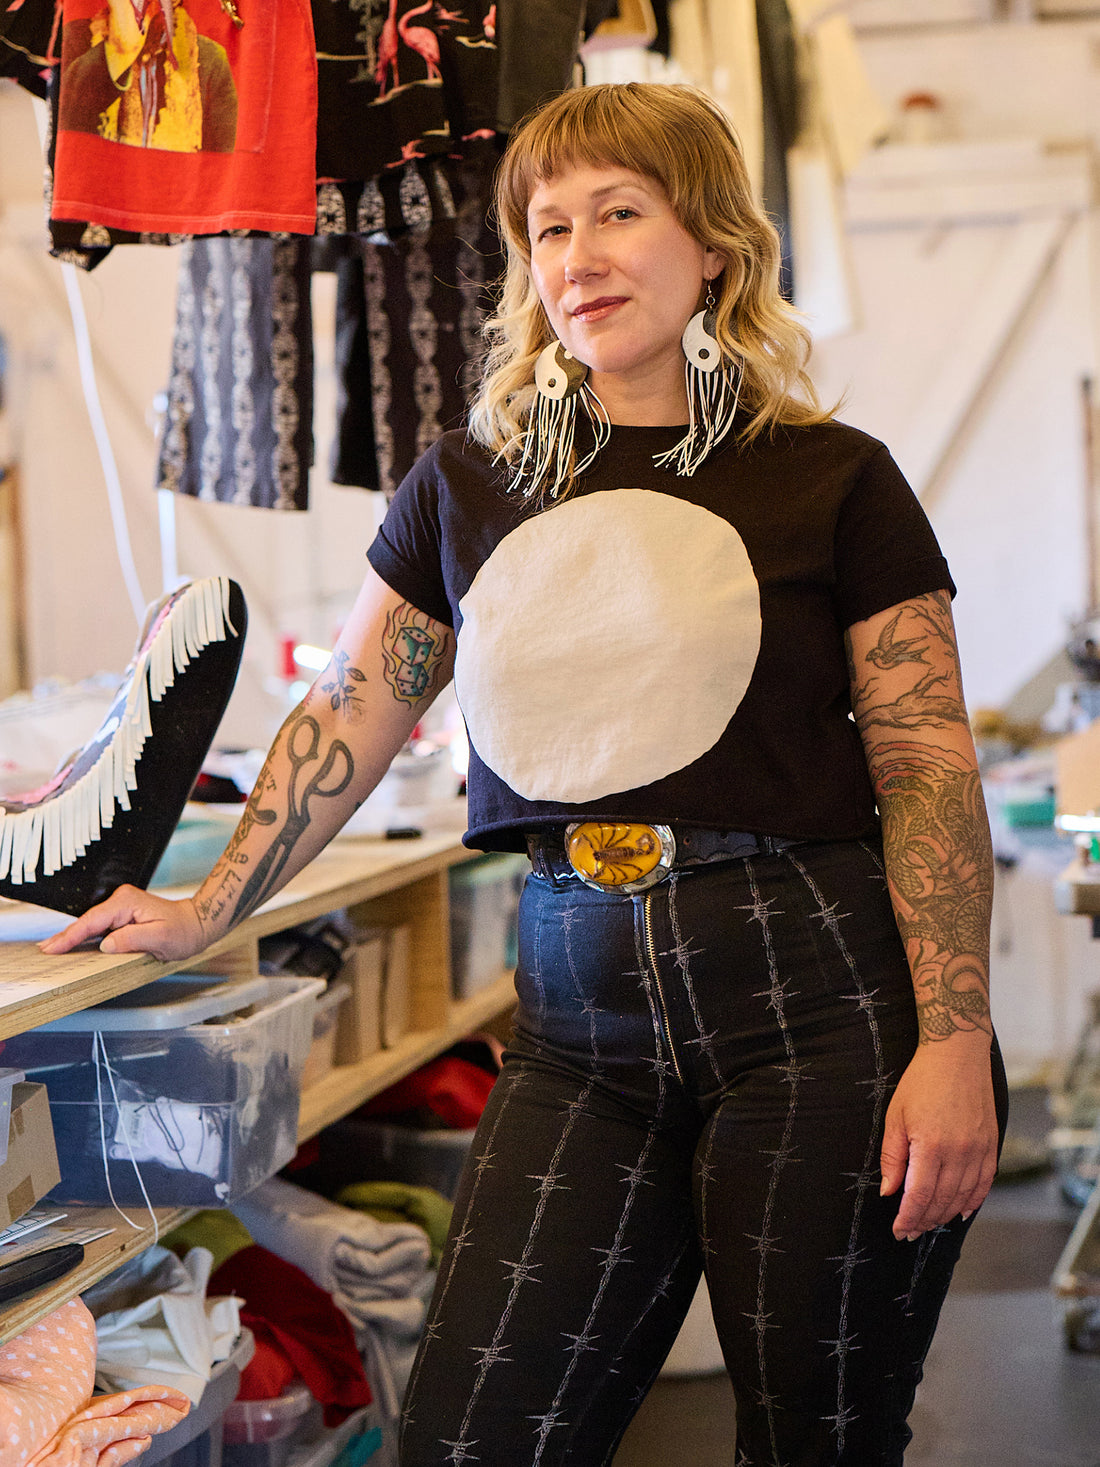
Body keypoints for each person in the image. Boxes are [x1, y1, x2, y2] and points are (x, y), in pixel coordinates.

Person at [44, 82, 1007, 1467]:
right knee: (476, 1432)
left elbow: (925, 766)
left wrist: (957, 1040)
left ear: (714, 245)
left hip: (816, 1004)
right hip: (576, 1020)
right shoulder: (471, 479)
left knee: (822, 1436)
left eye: (620, 212)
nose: (578, 256)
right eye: (549, 227)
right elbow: (360, 705)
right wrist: (207, 907)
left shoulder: (832, 479)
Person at [59, 0, 238, 154]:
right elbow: (72, 134)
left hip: (180, 189)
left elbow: (222, 166)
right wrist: (119, 53)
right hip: (100, 188)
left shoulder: (210, 60)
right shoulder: (81, 39)